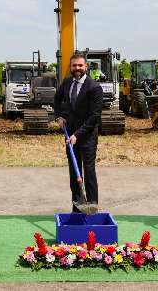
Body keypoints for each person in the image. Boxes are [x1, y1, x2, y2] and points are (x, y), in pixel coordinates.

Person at [55, 53, 103, 212]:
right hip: (70, 135)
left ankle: (92, 205)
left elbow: (94, 117)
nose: (77, 69)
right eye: (74, 66)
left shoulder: (94, 87)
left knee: (88, 171)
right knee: (73, 171)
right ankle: (78, 205)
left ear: (86, 67)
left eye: (80, 66)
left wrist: (78, 135)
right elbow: (57, 98)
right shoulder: (67, 82)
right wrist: (59, 116)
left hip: (87, 136)